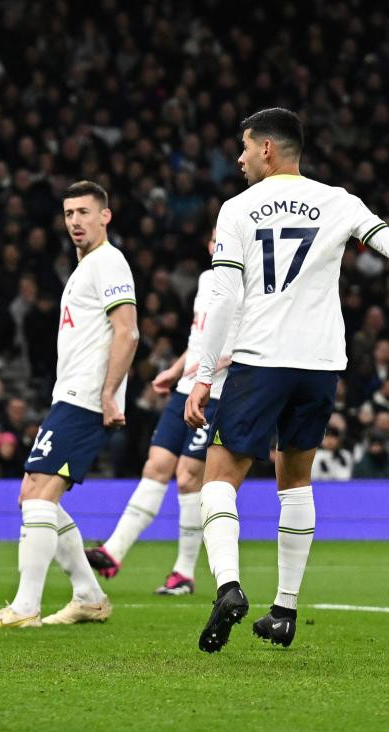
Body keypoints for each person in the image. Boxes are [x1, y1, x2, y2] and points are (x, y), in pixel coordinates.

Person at [185, 107, 389, 652]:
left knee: (218, 480)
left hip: (261, 358)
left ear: (268, 150)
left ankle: (228, 586)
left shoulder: (237, 209)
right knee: (295, 481)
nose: (240, 157)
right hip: (321, 363)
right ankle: (284, 611)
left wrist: (205, 374)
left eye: (246, 148)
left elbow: (225, 296)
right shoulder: (340, 200)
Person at [0, 180, 137, 629]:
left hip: (86, 397)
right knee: (32, 493)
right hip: (72, 393)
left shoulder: (108, 262)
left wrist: (107, 394)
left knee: (39, 496)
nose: (75, 222)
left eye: (84, 212)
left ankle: (26, 607)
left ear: (106, 215)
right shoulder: (84, 267)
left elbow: (128, 331)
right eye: (68, 214)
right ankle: (89, 596)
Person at [86, 232, 237, 596]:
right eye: (214, 240)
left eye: (225, 240)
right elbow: (199, 339)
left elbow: (245, 346)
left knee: (187, 477)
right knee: (155, 466)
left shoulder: (245, 285)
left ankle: (183, 572)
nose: (218, 246)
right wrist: (176, 369)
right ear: (207, 245)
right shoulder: (205, 281)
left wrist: (206, 370)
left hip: (217, 394)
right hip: (186, 388)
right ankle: (113, 550)